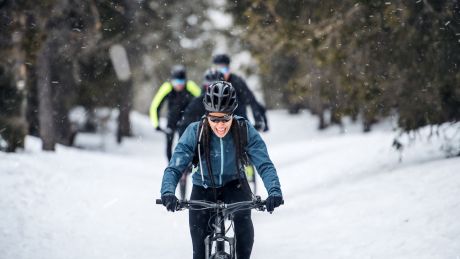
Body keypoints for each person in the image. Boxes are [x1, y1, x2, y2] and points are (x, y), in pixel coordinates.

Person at [160, 81, 283, 259]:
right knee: (199, 250)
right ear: (207, 115)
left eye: (225, 118)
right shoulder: (195, 131)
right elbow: (174, 167)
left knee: (244, 229)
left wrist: (274, 191)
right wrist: (168, 192)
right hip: (203, 187)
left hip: (235, 185)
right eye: (214, 119)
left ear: (233, 113)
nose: (220, 125)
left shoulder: (243, 129)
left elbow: (264, 164)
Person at [149, 65, 201, 161]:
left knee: (185, 144)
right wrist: (156, 124)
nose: (179, 85)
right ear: (172, 81)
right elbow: (155, 106)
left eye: (181, 82)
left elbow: (202, 100)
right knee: (169, 145)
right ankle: (171, 168)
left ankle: (185, 168)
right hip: (172, 120)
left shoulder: (190, 86)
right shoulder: (167, 87)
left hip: (186, 120)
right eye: (176, 82)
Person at [212, 54, 269, 132]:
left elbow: (251, 100)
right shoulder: (211, 83)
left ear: (228, 69)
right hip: (218, 126)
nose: (221, 73)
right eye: (218, 69)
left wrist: (258, 120)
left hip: (239, 123)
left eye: (224, 69)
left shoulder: (237, 81)